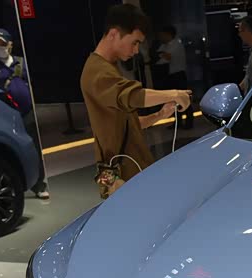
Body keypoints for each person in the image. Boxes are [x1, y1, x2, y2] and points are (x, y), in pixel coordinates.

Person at [81, 5, 191, 196]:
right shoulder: (97, 72)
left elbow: (127, 123)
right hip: (122, 176)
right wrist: (174, 94)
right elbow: (133, 96)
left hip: (130, 171)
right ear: (114, 34)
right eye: (134, 42)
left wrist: (159, 115)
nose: (136, 50)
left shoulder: (107, 67)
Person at [0, 28, 50, 200]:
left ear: (10, 44)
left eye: (1, 43)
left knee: (34, 149)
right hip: (4, 116)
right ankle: (9, 187)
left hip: (26, 113)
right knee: (9, 151)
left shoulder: (20, 62)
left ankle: (39, 184)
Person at [157, 25, 194, 129]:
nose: (160, 37)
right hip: (169, 75)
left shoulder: (176, 45)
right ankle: (178, 122)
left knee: (183, 98)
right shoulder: (164, 45)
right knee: (174, 99)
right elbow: (159, 54)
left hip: (178, 74)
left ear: (168, 34)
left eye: (162, 35)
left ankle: (189, 122)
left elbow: (167, 56)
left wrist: (161, 54)